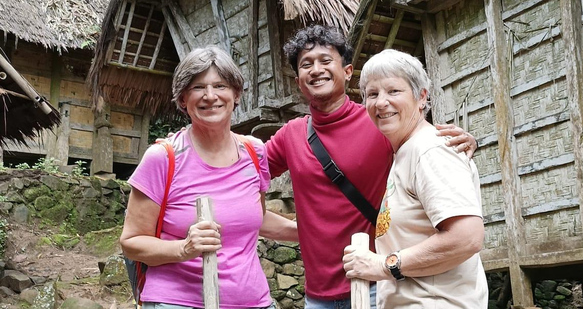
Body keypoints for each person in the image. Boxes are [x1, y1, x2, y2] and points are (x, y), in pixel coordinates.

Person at [260, 25, 477, 309]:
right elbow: (242, 174)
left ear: (348, 71)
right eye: (306, 64)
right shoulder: (290, 135)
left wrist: (464, 140)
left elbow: (424, 146)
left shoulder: (381, 121)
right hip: (316, 296)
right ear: (299, 80)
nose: (316, 69)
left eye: (326, 61)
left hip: (380, 283)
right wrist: (301, 230)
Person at [121, 46, 274, 309]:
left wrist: (311, 231)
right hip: (177, 301)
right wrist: (185, 248)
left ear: (236, 94)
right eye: (198, 87)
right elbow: (132, 243)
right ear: (183, 99)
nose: (210, 96)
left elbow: (257, 217)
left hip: (252, 300)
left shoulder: (254, 151)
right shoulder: (163, 158)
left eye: (221, 85)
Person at [342, 49, 488, 308]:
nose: (381, 102)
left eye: (393, 91)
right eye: (373, 94)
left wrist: (385, 265)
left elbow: (467, 237)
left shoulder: (430, 150)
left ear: (421, 97)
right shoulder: (405, 151)